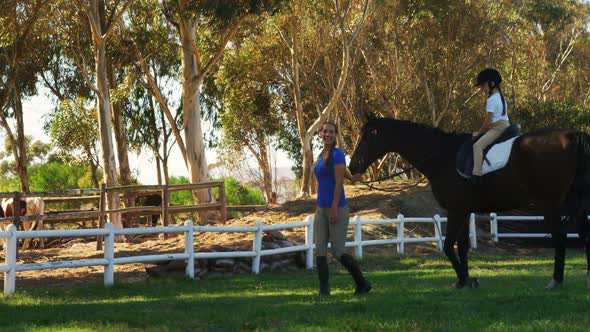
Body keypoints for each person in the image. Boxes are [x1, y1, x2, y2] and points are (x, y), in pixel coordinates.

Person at [313, 120, 371, 296]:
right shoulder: (322, 154)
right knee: (320, 250)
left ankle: (362, 283)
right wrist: (353, 177)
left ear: (335, 135)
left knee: (338, 252)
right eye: (325, 132)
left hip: (336, 207)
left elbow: (339, 182)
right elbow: (344, 175)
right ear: (321, 134)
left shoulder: (338, 155)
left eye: (331, 132)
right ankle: (324, 292)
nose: (327, 134)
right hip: (320, 208)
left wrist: (334, 208)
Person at [470, 68, 510, 184]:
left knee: (477, 146)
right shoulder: (501, 97)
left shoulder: (492, 99)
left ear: (492, 83)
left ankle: (476, 175)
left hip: (497, 128)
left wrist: (479, 133)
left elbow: (488, 122)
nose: (482, 88)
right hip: (505, 124)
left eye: (483, 85)